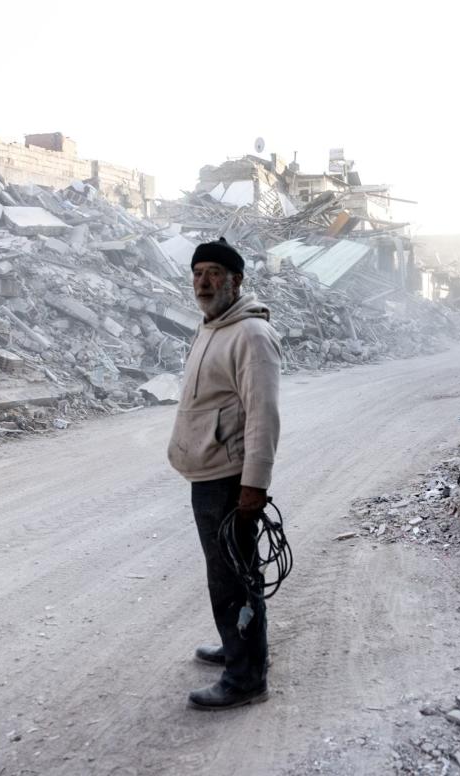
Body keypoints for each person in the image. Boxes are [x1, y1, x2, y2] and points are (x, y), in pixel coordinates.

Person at [168, 237, 281, 710]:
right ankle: (241, 648)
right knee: (235, 572)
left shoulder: (250, 335)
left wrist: (254, 482)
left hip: (230, 478)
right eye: (198, 273)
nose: (204, 282)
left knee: (230, 578)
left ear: (237, 280)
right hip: (208, 472)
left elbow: (263, 414)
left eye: (215, 272)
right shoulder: (213, 326)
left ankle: (245, 678)